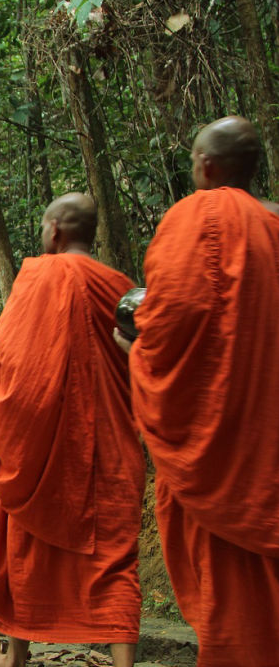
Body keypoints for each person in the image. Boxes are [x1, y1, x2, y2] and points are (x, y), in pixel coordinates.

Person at [118, 116, 279, 667]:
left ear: (206, 166)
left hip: (219, 449)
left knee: (230, 605)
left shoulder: (197, 218)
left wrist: (137, 355)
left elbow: (169, 325)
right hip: (270, 442)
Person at [0, 194, 144, 667]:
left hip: (44, 450)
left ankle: (15, 656)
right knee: (115, 561)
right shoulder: (120, 285)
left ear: (54, 231)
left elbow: (16, 370)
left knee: (26, 549)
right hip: (109, 448)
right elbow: (140, 360)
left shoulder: (39, 278)